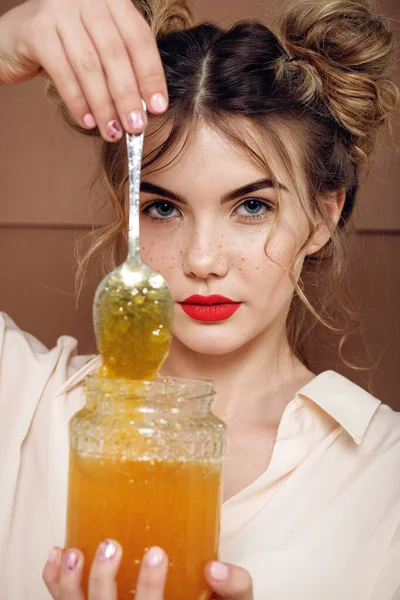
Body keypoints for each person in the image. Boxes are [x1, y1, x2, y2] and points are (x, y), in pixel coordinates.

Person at [0, 0, 399, 598]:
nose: (203, 260)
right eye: (163, 207)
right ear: (124, 212)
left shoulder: (384, 476)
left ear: (324, 214)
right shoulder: (21, 400)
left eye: (252, 206)